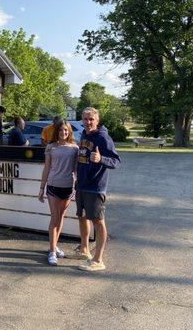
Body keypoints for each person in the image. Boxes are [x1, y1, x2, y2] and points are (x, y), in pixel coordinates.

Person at [75, 107, 120, 272]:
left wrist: (101, 159)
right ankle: (84, 250)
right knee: (82, 217)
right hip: (81, 185)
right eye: (85, 119)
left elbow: (116, 162)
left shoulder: (103, 138)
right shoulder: (84, 134)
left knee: (98, 222)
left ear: (97, 120)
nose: (88, 122)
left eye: (91, 119)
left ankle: (98, 259)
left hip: (95, 187)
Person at [38, 121, 79, 266]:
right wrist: (42, 188)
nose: (64, 132)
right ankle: (52, 252)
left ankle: (54, 245)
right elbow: (46, 168)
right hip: (53, 186)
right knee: (54, 219)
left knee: (61, 218)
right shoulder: (51, 147)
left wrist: (77, 183)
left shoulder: (75, 148)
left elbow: (75, 169)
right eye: (61, 130)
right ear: (57, 131)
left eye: (66, 130)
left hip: (68, 187)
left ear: (69, 132)